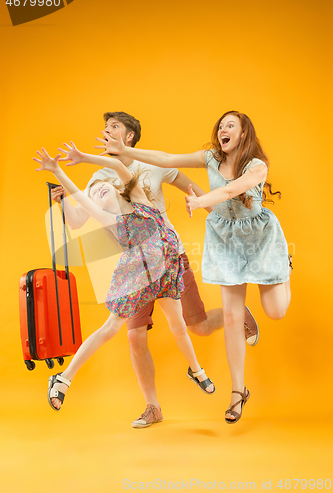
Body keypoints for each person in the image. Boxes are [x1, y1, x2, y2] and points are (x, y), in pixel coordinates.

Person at [51, 111, 259, 428]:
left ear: (129, 135)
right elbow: (80, 219)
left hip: (169, 253)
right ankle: (153, 406)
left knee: (197, 327)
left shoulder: (149, 166)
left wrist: (226, 216)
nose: (105, 131)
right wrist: (62, 198)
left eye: (113, 127)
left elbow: (195, 190)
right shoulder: (98, 181)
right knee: (133, 336)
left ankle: (235, 318)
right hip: (135, 263)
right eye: (104, 128)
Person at [96, 110, 292, 424]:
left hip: (260, 240)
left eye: (232, 126)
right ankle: (238, 393)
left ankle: (284, 266)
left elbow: (232, 190)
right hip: (227, 238)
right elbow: (166, 157)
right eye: (221, 125)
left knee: (276, 310)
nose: (224, 129)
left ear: (243, 134)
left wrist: (201, 202)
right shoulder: (212, 157)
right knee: (230, 315)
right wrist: (126, 151)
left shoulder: (257, 166)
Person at [33, 146, 216, 422]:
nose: (98, 191)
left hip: (166, 268)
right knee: (109, 329)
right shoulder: (109, 220)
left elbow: (120, 169)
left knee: (178, 325)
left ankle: (196, 371)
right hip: (137, 277)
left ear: (118, 188)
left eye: (103, 186)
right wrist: (58, 171)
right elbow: (80, 197)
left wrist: (86, 158)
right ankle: (62, 379)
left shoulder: (141, 199)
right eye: (94, 193)